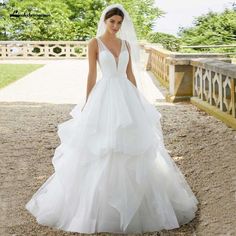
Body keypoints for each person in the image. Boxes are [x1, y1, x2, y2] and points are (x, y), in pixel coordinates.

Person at [25, 3, 199, 234]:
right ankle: (97, 209)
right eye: (112, 22)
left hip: (126, 96)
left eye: (119, 22)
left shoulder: (126, 44)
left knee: (134, 146)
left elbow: (130, 74)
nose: (116, 26)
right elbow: (91, 73)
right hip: (104, 95)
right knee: (103, 146)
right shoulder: (94, 43)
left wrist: (137, 100)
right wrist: (87, 103)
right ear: (105, 21)